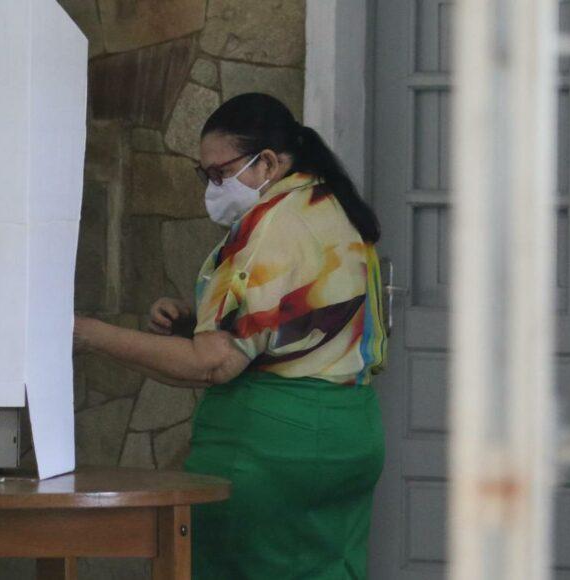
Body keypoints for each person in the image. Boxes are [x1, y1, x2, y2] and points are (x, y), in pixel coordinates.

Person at [73, 92, 388, 579]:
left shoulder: (271, 223)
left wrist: (87, 334)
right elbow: (293, 322)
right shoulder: (329, 204)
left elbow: (213, 363)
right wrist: (194, 323)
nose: (213, 188)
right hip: (349, 435)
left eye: (220, 173)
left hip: (273, 444)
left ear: (266, 162)